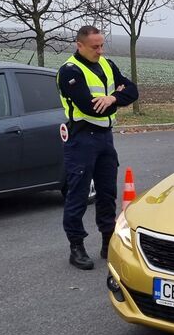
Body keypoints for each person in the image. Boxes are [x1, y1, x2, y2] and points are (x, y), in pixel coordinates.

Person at [57, 26, 139, 270]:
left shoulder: (107, 64)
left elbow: (133, 91)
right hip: (81, 138)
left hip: (105, 138)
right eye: (95, 47)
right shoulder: (69, 72)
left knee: (107, 193)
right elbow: (91, 107)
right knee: (78, 195)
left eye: (102, 45)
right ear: (79, 45)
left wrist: (112, 98)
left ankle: (107, 242)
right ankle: (77, 247)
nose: (100, 51)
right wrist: (117, 96)